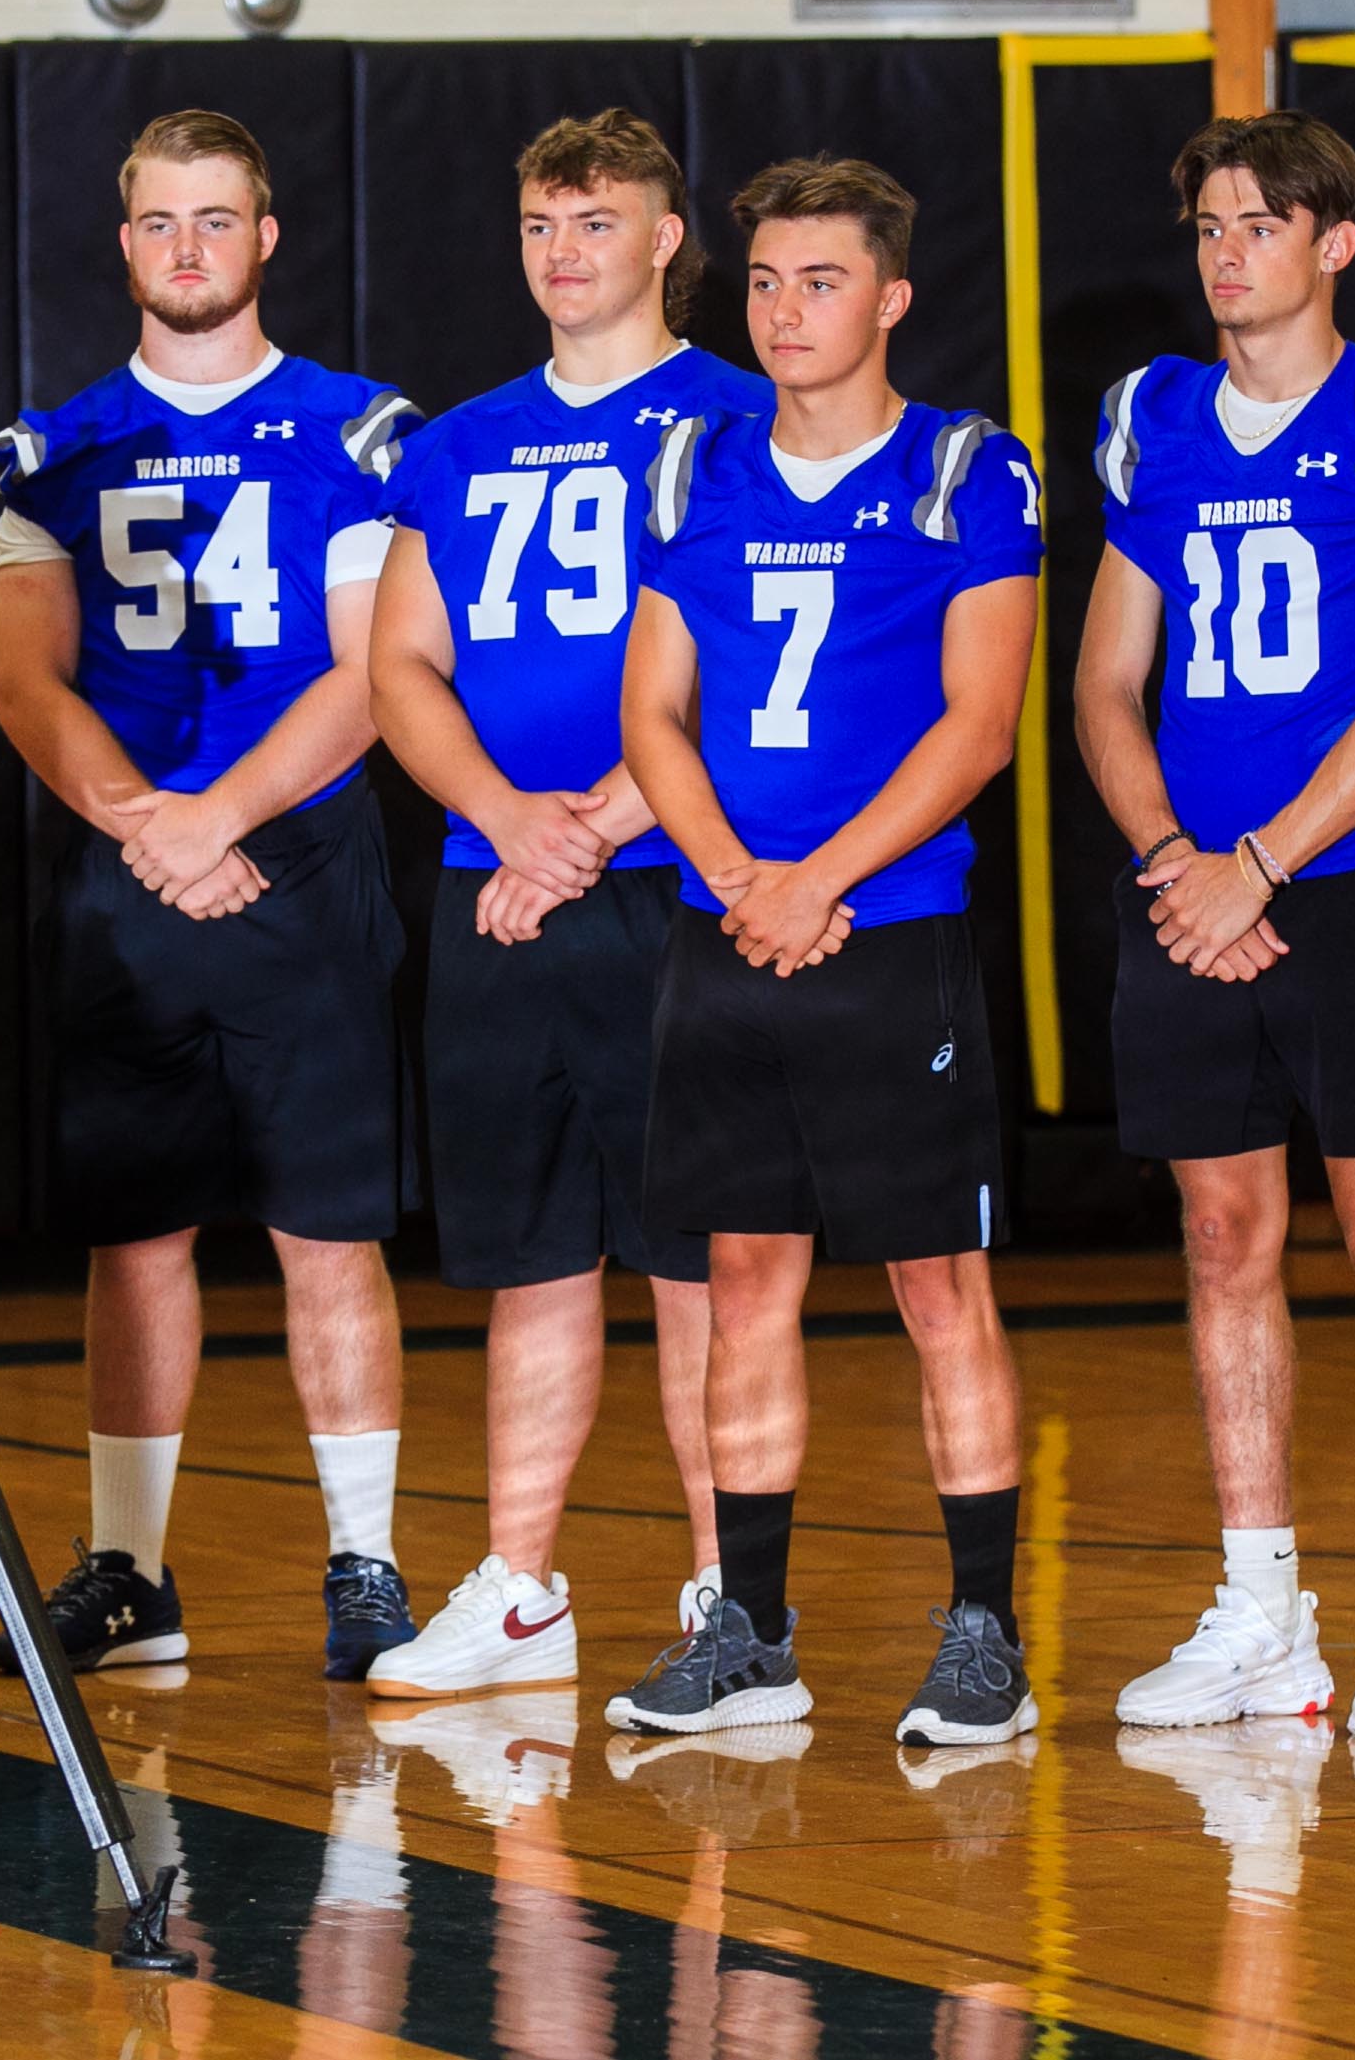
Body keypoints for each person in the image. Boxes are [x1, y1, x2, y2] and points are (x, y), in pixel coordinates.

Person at [605, 156, 1043, 1748]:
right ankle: (753, 1633)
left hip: (888, 933)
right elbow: (650, 709)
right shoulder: (693, 471)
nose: (789, 312)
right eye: (769, 283)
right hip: (730, 934)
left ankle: (984, 1632)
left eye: (823, 281)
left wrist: (817, 880)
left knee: (939, 1281)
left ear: (891, 296)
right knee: (742, 1280)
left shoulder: (965, 474)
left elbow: (977, 723)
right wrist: (732, 875)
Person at [0, 110, 424, 1682]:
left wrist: (214, 815)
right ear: (123, 243)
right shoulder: (52, 448)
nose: (187, 250)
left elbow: (379, 673)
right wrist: (142, 822)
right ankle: (131, 1567)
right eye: (159, 223)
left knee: (326, 1229)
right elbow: (27, 683)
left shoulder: (360, 428)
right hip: (129, 862)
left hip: (295, 851)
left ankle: (366, 1564)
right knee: (135, 1230)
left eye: (214, 220)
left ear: (265, 235)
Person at [1073, 112, 1355, 1739]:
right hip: (1187, 894)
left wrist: (1265, 858)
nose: (1225, 250)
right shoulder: (1149, 419)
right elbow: (1106, 683)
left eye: (1259, 222)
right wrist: (1184, 858)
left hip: (1344, 884)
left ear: (1335, 242)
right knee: (1220, 1236)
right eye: (1208, 227)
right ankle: (1261, 1607)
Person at [360, 109, 763, 1697]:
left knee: (695, 1265)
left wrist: (588, 828)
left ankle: (730, 1594)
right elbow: (399, 664)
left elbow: (741, 669)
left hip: (668, 890)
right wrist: (504, 822)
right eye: (539, 225)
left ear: (667, 239)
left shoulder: (740, 419)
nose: (562, 253)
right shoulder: (455, 438)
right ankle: (520, 1583)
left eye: (593, 223)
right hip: (499, 890)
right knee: (528, 1256)